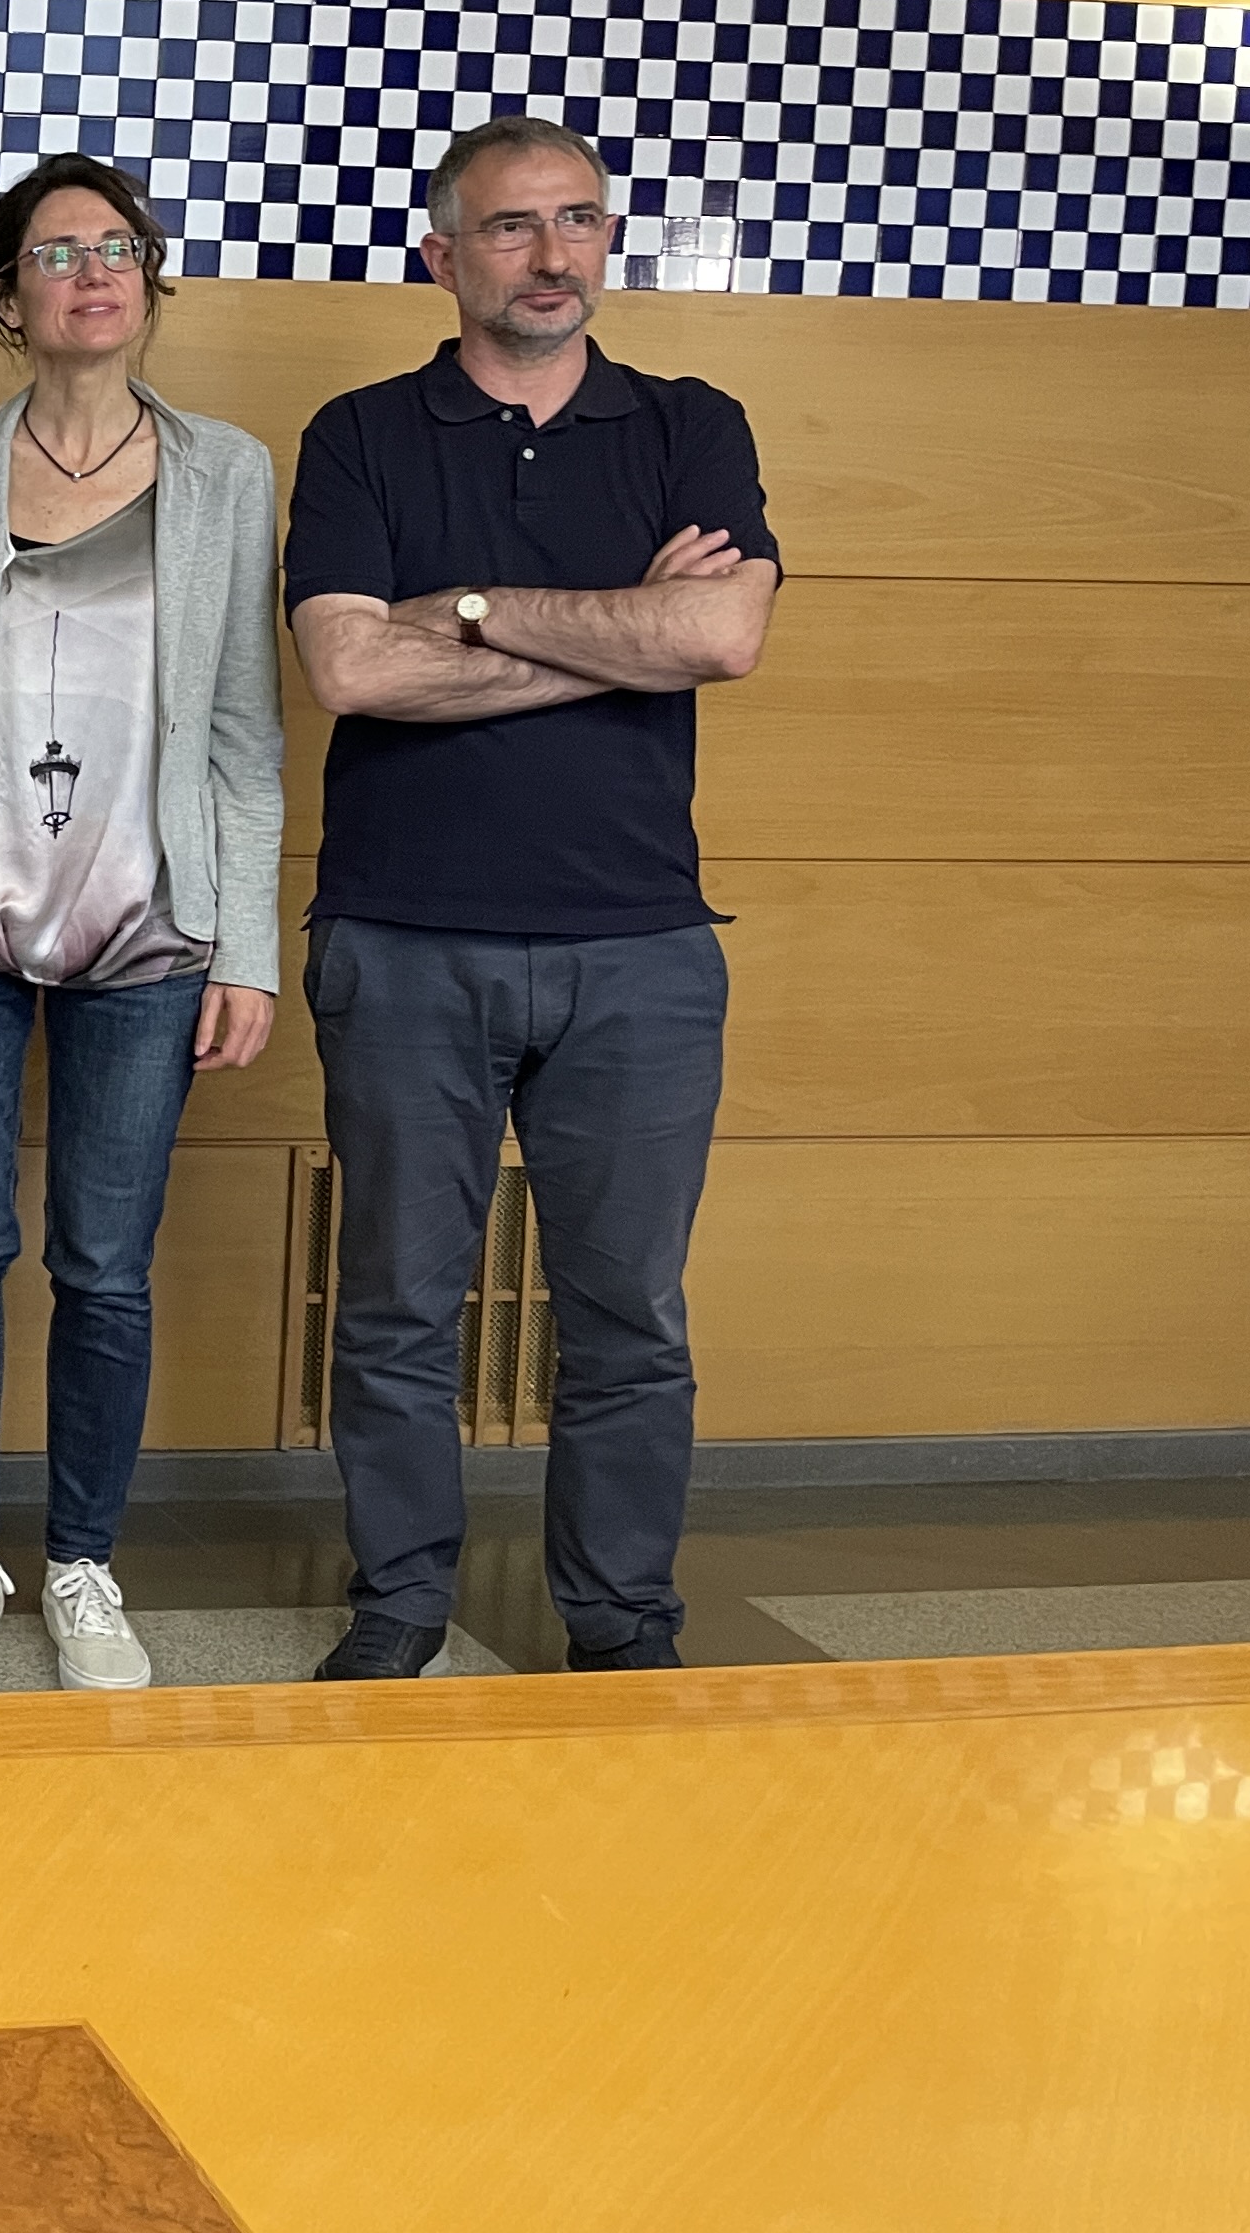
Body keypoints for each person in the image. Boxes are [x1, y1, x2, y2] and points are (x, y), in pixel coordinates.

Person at [284, 118, 777, 1681]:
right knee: (397, 1308)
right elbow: (350, 669)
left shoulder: (690, 423)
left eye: (577, 220)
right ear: (444, 254)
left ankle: (621, 1623)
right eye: (511, 227)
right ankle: (400, 1605)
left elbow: (724, 638)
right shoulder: (362, 433)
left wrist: (474, 611)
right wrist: (626, 632)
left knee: (629, 1317)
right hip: (401, 938)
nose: (552, 255)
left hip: (640, 950)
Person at [0, 157, 284, 1698]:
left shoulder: (229, 472)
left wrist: (247, 945)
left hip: (148, 931)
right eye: (56, 253)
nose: (92, 273)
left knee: (106, 1265)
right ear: (7, 298)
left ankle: (85, 1562)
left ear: (151, 285)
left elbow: (244, 727)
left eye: (118, 249)